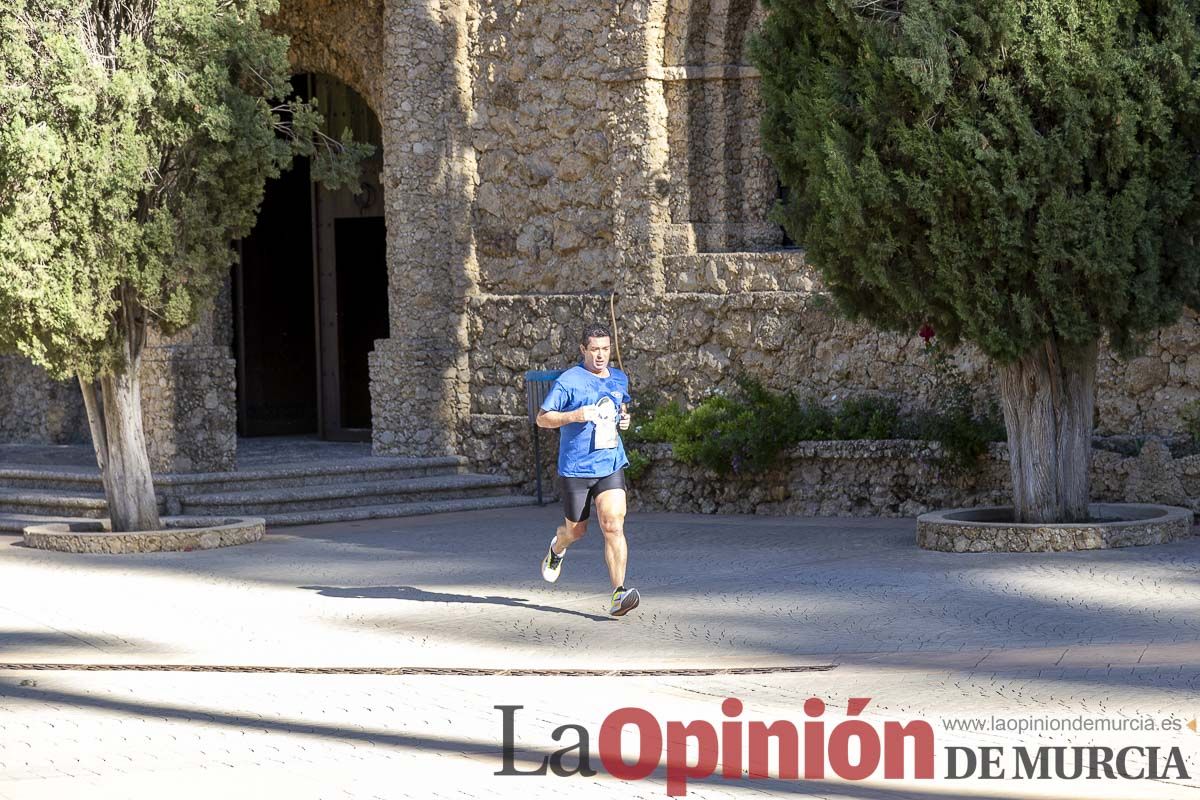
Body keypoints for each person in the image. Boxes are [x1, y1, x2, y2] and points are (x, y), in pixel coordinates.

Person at [535, 322, 639, 616]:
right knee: (576, 531)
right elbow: (543, 419)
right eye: (594, 349)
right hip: (576, 468)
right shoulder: (569, 381)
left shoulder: (619, 379)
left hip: (610, 462)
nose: (601, 355)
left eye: (605, 349)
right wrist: (575, 415)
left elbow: (621, 407)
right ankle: (557, 548)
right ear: (583, 350)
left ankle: (619, 593)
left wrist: (624, 419)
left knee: (613, 524)